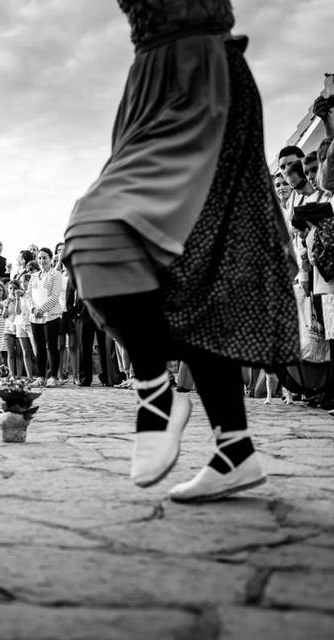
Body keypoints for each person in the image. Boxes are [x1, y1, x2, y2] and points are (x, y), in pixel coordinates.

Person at [63, 1, 297, 502]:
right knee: (127, 245)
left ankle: (164, 403)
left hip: (203, 77)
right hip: (150, 81)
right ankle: (231, 446)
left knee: (183, 259)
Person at [28, 247, 64, 388]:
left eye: (45, 258)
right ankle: (41, 376)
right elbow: (28, 295)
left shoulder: (56, 275)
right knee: (40, 347)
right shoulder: (34, 276)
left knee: (52, 346)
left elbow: (55, 296)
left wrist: (42, 309)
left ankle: (53, 377)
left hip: (51, 316)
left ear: (50, 259)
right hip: (35, 316)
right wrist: (33, 309)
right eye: (40, 258)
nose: (42, 260)